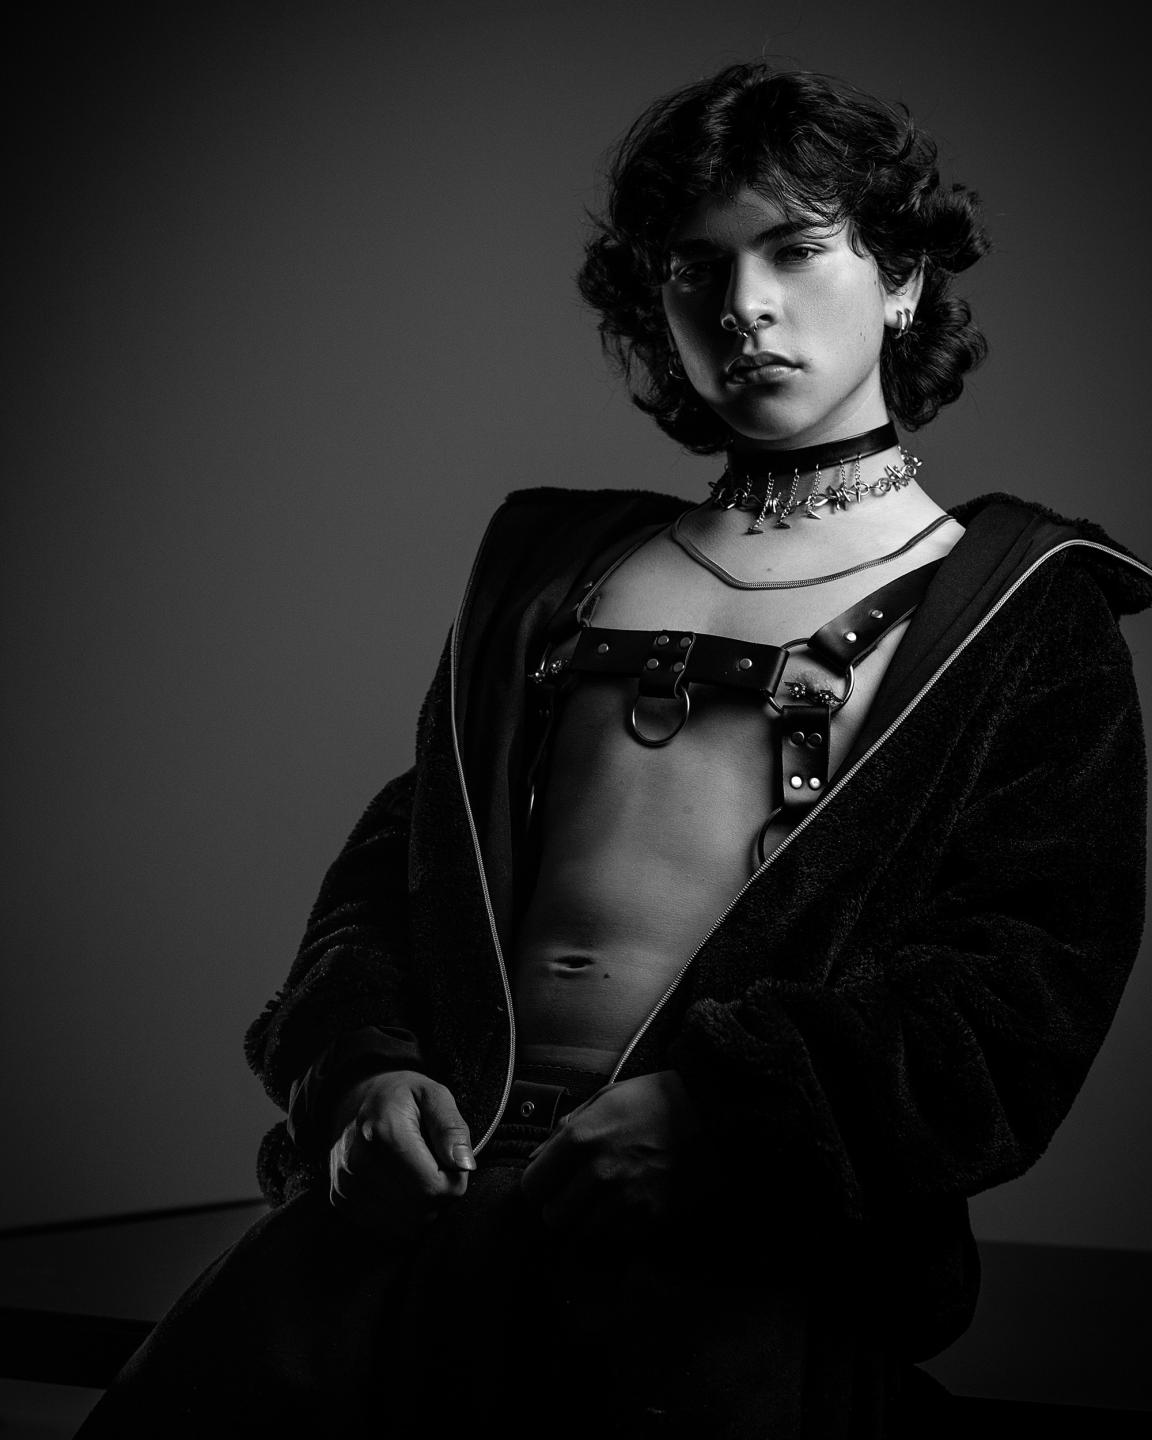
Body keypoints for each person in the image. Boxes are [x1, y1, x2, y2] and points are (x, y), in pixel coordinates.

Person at [78, 63, 1150, 1439]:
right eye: (696, 267)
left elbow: (1024, 988)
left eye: (795, 249)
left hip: (731, 1257)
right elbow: (396, 876)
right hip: (421, 1213)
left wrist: (722, 1121)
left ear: (902, 280)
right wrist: (361, 1076)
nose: (743, 303)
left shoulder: (1015, 609)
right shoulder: (553, 571)